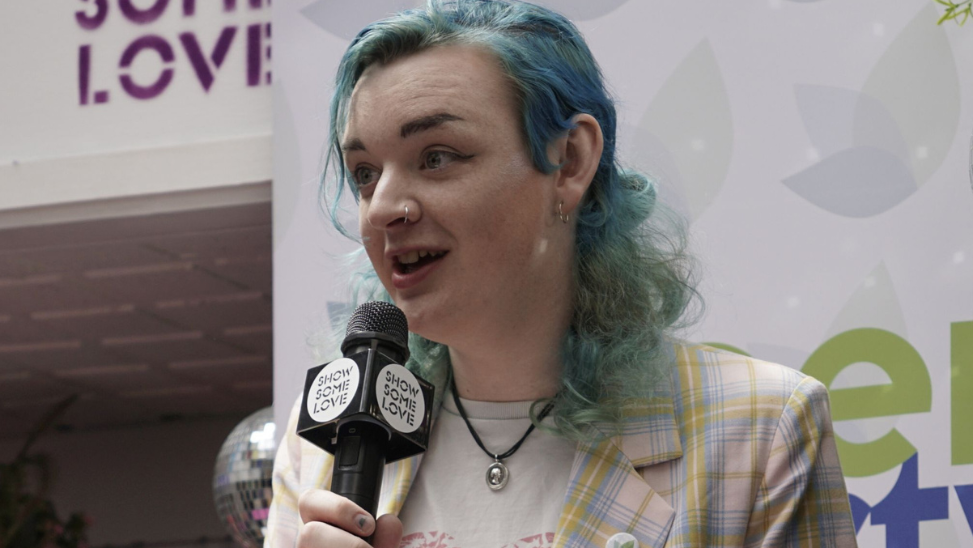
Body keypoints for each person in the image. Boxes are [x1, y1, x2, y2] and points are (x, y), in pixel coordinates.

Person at [266, 1, 858, 547]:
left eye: (437, 157)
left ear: (569, 162)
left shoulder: (761, 427)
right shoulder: (318, 442)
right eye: (365, 172)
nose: (385, 207)